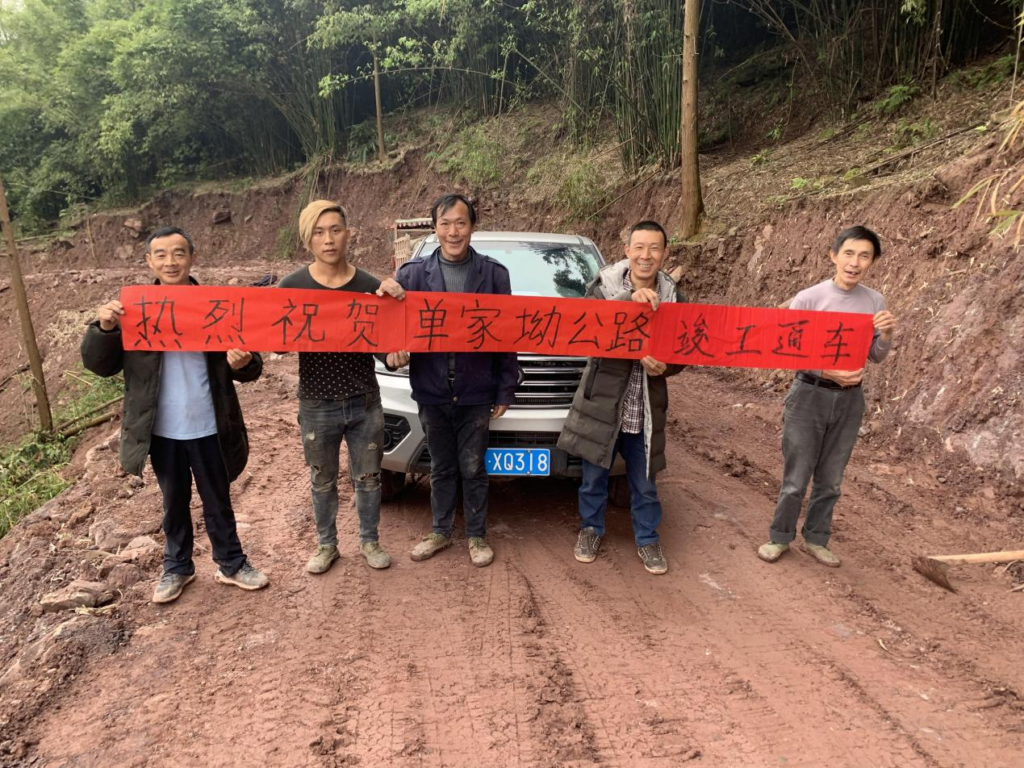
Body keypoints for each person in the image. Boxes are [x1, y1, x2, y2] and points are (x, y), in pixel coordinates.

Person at [81, 227, 268, 604]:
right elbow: (99, 365)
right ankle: (177, 566)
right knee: (173, 501)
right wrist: (103, 329)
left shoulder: (216, 306)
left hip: (210, 424)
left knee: (218, 500)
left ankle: (231, 562)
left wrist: (243, 361)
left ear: (192, 258)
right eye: (161, 255)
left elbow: (251, 366)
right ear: (149, 261)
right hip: (162, 429)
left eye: (179, 253)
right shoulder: (133, 311)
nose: (171, 262)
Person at [388, 193, 518, 567]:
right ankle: (441, 531)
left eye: (461, 223)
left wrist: (505, 387)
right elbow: (394, 329)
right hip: (431, 389)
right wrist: (391, 355)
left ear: (472, 227)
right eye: (445, 224)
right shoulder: (411, 275)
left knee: (474, 467)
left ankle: (477, 536)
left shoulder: (494, 275)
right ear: (434, 228)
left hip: (476, 388)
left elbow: (506, 336)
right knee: (441, 466)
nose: (453, 231)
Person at [278, 200, 406, 574]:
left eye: (335, 229)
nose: (328, 239)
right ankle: (326, 545)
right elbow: (276, 339)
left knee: (368, 478)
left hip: (364, 400)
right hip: (317, 403)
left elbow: (385, 344)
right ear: (307, 241)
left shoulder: (370, 286)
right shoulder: (293, 287)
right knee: (322, 480)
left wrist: (395, 355)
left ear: (348, 234)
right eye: (319, 232)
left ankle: (370, 541)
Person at [758, 225, 896, 568]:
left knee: (832, 478)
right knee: (795, 478)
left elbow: (875, 355)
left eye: (864, 256)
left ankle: (817, 539)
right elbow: (784, 350)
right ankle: (779, 537)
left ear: (873, 261)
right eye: (849, 253)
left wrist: (888, 334)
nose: (855, 262)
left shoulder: (875, 300)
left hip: (850, 400)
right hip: (809, 395)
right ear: (833, 256)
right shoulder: (809, 298)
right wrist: (825, 371)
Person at [557, 220, 686, 575]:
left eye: (654, 248)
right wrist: (627, 300)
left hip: (645, 406)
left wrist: (667, 366)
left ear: (665, 253)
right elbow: (585, 328)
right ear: (627, 250)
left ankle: (647, 539)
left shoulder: (675, 297)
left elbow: (684, 350)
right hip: (603, 402)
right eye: (639, 248)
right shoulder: (604, 286)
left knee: (645, 483)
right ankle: (590, 530)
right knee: (594, 477)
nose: (646, 256)